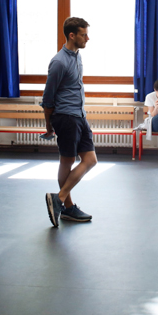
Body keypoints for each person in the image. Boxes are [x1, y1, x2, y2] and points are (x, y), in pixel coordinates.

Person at [42, 17, 97, 228]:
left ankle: (60, 199)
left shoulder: (77, 56)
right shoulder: (59, 62)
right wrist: (49, 126)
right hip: (65, 117)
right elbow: (48, 98)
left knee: (90, 160)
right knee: (67, 162)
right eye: (84, 34)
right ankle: (67, 207)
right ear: (72, 35)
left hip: (79, 115)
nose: (87, 38)